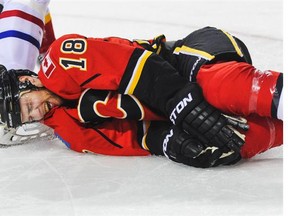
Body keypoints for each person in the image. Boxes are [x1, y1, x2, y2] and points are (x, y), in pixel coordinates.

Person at [0, 2, 282, 167]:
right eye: (28, 116)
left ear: (26, 80)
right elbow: (137, 137)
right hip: (179, 104)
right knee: (231, 142)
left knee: (214, 89)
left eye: (28, 105)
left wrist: (187, 109)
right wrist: (170, 142)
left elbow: (143, 69)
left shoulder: (62, 59)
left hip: (188, 59)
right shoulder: (70, 133)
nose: (37, 113)